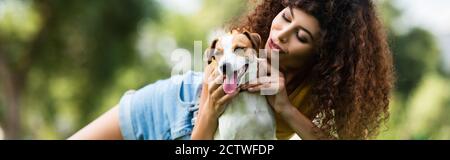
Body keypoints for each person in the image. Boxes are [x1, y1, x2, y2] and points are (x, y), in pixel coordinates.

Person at [69, 0, 394, 140]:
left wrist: (284, 107)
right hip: (169, 106)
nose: (280, 34)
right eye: (285, 17)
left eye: (301, 36)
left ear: (322, 53)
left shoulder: (316, 91)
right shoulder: (239, 60)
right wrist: (210, 109)